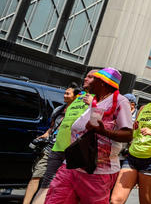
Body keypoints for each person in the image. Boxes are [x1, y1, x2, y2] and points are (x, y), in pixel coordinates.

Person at [45, 68, 134, 204]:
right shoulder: (93, 100)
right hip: (71, 165)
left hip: (98, 172)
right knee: (55, 200)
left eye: (93, 79)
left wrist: (104, 132)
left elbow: (128, 134)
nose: (88, 81)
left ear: (103, 83)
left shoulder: (120, 101)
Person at [32, 71, 96, 204]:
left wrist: (93, 104)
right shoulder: (79, 96)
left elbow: (101, 121)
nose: (85, 78)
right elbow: (65, 120)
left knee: (66, 190)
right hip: (58, 148)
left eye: (90, 77)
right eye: (86, 75)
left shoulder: (100, 99)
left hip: (75, 151)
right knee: (47, 184)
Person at [23, 83, 80, 204]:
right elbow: (52, 127)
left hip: (65, 150)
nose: (64, 95)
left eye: (67, 93)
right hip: (50, 147)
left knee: (54, 182)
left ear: (76, 97)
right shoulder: (58, 110)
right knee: (36, 176)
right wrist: (44, 136)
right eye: (65, 93)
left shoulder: (79, 112)